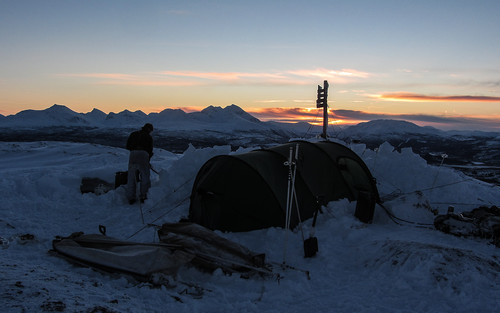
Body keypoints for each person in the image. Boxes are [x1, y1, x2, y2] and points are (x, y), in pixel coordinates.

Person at [125, 123, 154, 204]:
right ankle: (143, 196)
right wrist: (148, 159)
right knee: (145, 176)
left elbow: (128, 146)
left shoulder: (133, 134)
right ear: (149, 129)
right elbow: (150, 150)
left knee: (131, 176)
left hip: (133, 154)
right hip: (144, 154)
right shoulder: (148, 137)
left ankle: (131, 197)